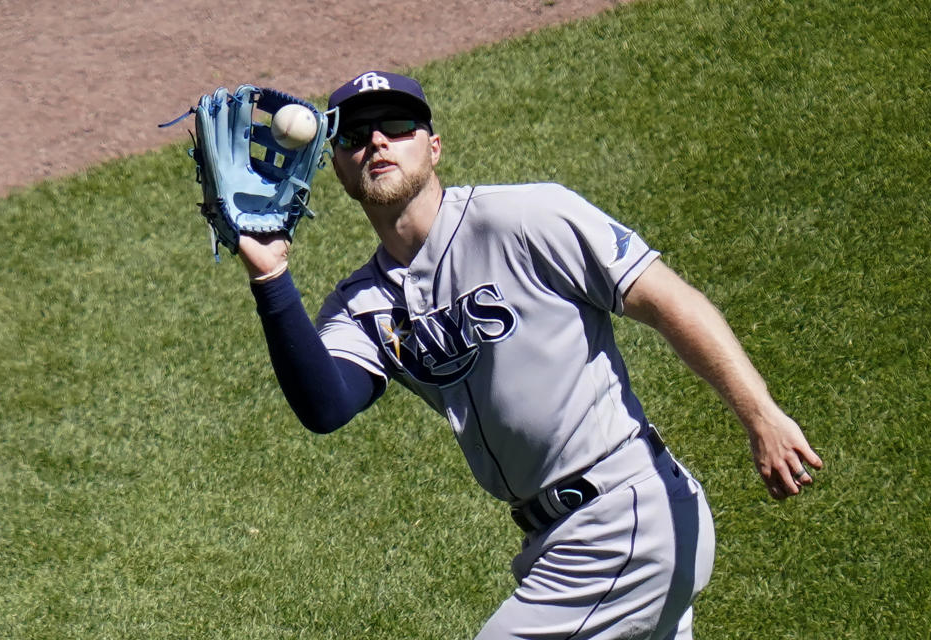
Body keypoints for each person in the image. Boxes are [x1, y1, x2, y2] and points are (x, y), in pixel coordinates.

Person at [236, 70, 822, 639]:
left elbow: (671, 302)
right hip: (558, 542)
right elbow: (326, 405)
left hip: (625, 519)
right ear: (336, 165)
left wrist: (761, 416)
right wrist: (272, 279)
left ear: (434, 147)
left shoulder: (527, 219)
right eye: (356, 136)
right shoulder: (361, 303)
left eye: (397, 125)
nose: (377, 142)